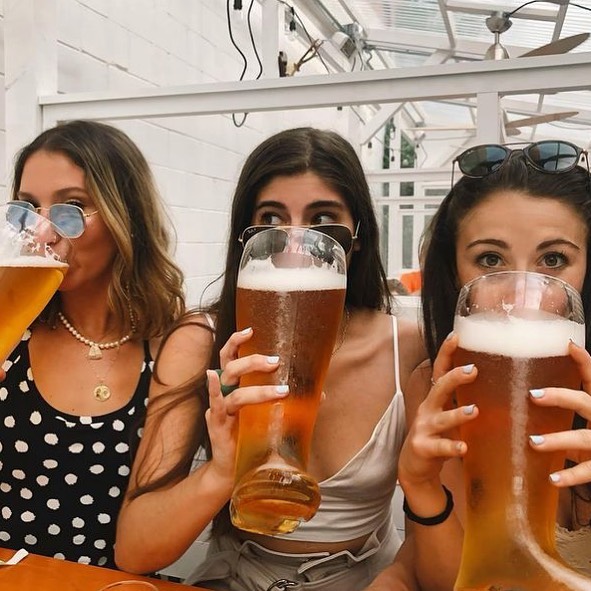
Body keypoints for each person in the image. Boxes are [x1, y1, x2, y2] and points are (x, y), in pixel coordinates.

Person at [114, 127, 427, 591]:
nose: (295, 244)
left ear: (357, 238)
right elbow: (135, 550)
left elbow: (431, 531)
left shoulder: (408, 346)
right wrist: (222, 471)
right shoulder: (201, 339)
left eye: (323, 220)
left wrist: (396, 580)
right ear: (246, 239)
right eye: (270, 219)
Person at [366, 140, 591, 590]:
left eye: (553, 260)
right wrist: (421, 488)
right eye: (490, 260)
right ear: (455, 271)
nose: (521, 294)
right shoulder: (435, 384)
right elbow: (446, 578)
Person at [0, 119, 190, 568]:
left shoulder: (171, 348)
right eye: (27, 209)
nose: (42, 233)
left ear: (126, 217)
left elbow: (147, 536)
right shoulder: (10, 331)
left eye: (71, 208)